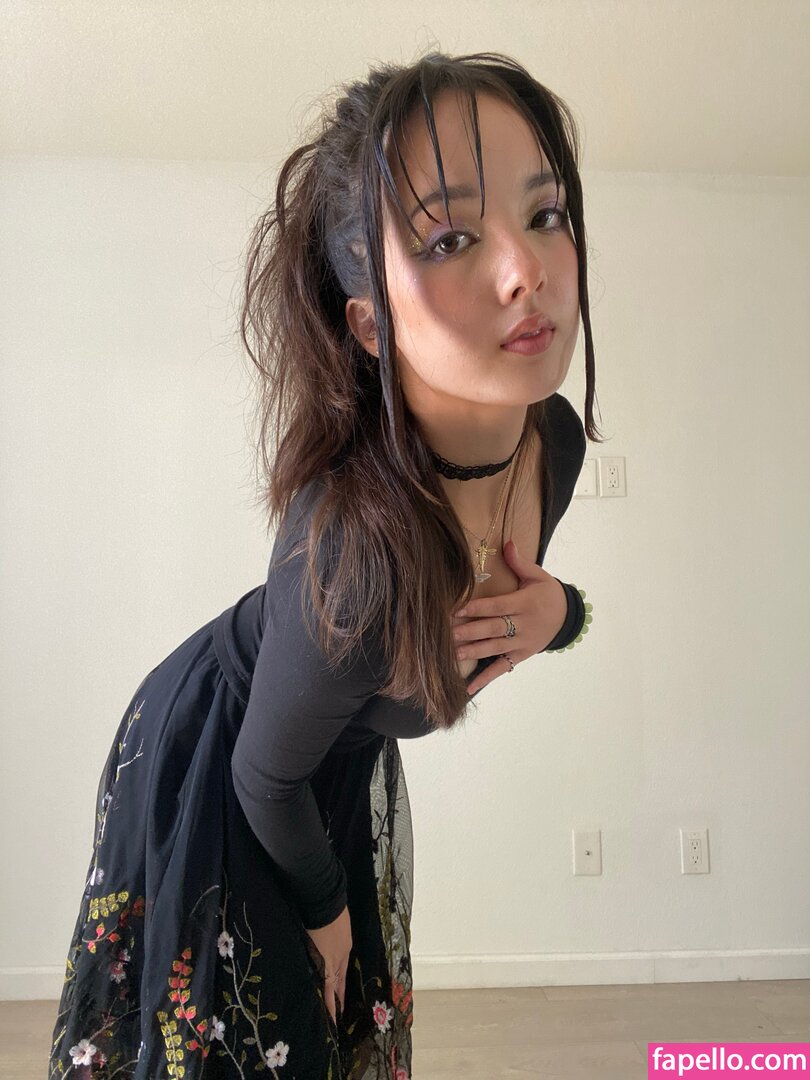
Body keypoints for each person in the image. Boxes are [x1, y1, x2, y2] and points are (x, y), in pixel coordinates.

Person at [47, 49, 602, 1080]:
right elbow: (267, 775)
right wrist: (327, 912)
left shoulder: (552, 444)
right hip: (233, 764)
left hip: (323, 763)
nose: (527, 270)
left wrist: (561, 613)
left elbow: (514, 604)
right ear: (368, 324)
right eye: (450, 238)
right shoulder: (351, 549)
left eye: (546, 214)